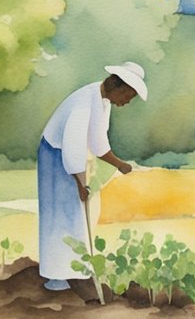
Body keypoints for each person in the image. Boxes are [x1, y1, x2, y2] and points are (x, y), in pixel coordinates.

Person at [38, 63, 147, 291]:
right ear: (117, 85)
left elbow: (97, 142)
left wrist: (120, 165)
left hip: (69, 158)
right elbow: (73, 145)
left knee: (74, 215)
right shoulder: (83, 104)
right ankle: (56, 277)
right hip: (55, 155)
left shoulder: (101, 101)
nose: (128, 101)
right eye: (129, 95)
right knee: (59, 215)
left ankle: (74, 271)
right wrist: (79, 182)